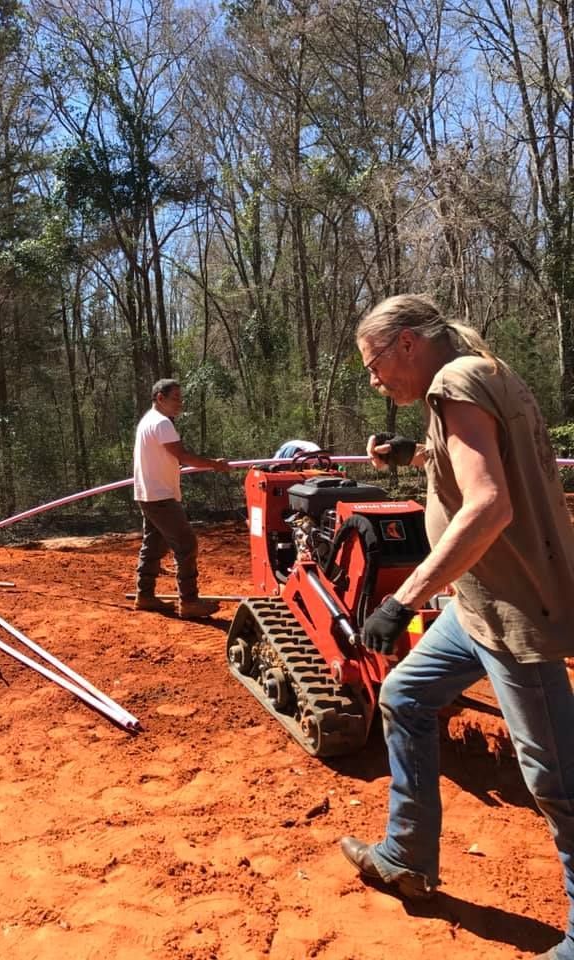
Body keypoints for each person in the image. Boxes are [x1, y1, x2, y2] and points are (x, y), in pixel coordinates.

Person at [340, 293, 574, 960]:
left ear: (407, 343)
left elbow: (490, 503)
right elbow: (489, 462)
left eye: (374, 365)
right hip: (479, 603)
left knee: (558, 781)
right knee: (406, 695)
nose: (376, 380)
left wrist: (403, 599)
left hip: (515, 611)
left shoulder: (454, 382)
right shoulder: (482, 372)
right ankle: (406, 856)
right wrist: (417, 455)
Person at [133, 378, 231, 618]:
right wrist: (214, 464)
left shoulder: (148, 420)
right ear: (160, 398)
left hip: (148, 494)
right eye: (175, 398)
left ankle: (145, 595)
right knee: (186, 545)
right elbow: (182, 456)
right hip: (161, 496)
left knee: (153, 545)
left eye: (180, 398)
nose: (180, 403)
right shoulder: (161, 423)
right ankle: (189, 601)